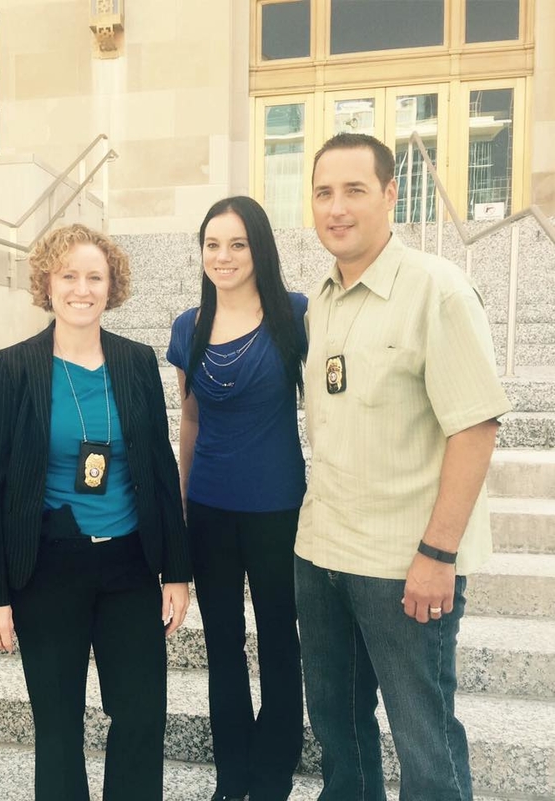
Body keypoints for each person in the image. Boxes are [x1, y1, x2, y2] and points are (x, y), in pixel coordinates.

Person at [296, 132, 512, 800]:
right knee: (340, 731)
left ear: (391, 194)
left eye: (355, 190)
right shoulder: (323, 299)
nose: (337, 207)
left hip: (405, 566)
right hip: (324, 554)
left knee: (425, 741)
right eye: (324, 192)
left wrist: (436, 553)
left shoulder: (437, 290)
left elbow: (474, 429)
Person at [0, 223, 191, 801]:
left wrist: (178, 570)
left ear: (111, 285)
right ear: (47, 282)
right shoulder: (14, 368)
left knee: (141, 715)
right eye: (69, 275)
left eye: (95, 276)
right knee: (58, 726)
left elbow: (160, 470)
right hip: (48, 568)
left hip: (130, 568)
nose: (82, 289)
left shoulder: (137, 361)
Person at [167, 196, 307, 801]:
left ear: (260, 249)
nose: (223, 257)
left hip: (278, 505)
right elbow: (190, 423)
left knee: (279, 637)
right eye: (212, 244)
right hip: (211, 510)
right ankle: (232, 776)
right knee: (222, 643)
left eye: (237, 244)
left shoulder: (297, 314)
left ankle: (273, 774)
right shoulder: (188, 327)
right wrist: (179, 504)